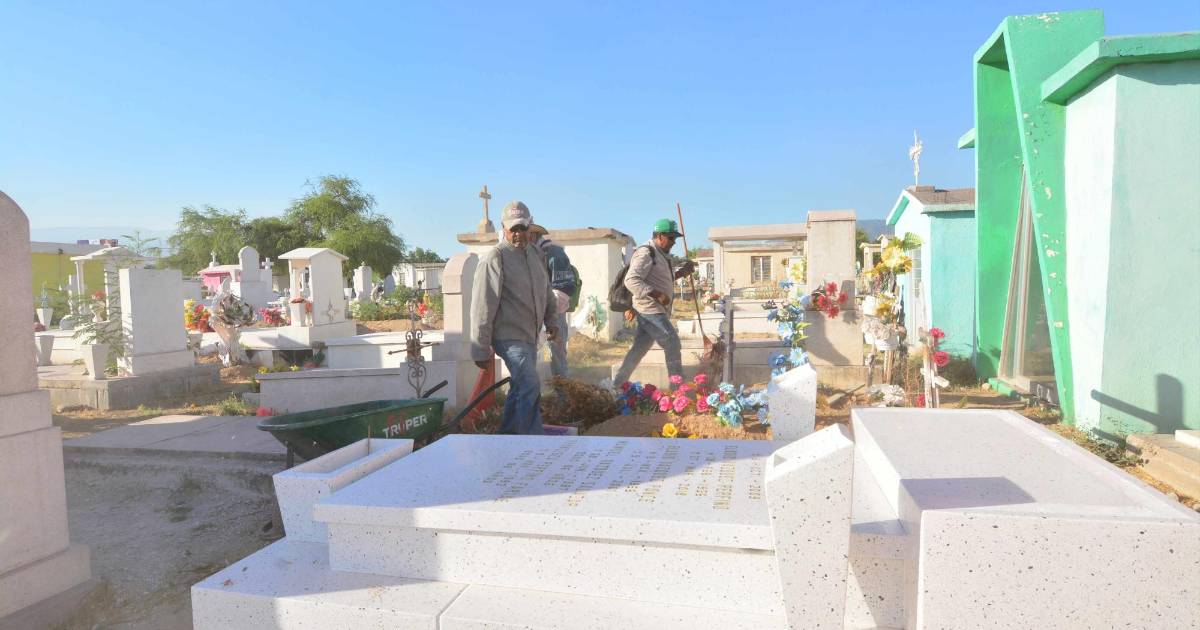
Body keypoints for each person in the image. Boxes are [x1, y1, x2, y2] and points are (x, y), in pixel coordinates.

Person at [470, 201, 559, 435]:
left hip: (529, 335)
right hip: (507, 336)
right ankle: (532, 441)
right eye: (513, 229)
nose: (518, 233)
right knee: (530, 384)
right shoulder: (495, 257)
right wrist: (479, 348)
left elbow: (546, 291)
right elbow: (482, 305)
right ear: (504, 228)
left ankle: (507, 437)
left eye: (523, 228)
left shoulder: (536, 254)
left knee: (520, 387)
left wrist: (552, 320)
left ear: (530, 226)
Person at [612, 218, 695, 386]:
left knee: (639, 349)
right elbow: (631, 280)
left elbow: (661, 279)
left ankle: (618, 384)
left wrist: (682, 272)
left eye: (675, 238)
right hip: (650, 310)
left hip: (653, 309)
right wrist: (657, 294)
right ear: (660, 236)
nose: (674, 242)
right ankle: (678, 387)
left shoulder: (661, 254)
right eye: (671, 238)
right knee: (672, 343)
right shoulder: (645, 253)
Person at [529, 224, 577, 378]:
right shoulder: (528, 254)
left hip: (554, 312)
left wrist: (548, 315)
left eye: (526, 233)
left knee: (557, 353)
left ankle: (562, 389)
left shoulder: (554, 254)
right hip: (533, 313)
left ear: (533, 235)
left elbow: (564, 288)